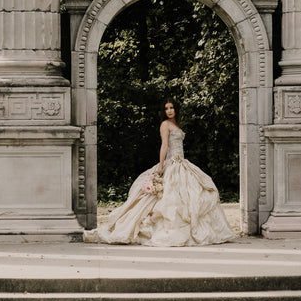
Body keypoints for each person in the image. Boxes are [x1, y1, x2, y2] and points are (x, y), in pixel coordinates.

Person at [83, 100, 237, 246]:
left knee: (195, 193)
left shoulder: (176, 124)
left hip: (182, 163)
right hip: (172, 163)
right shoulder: (165, 124)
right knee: (166, 198)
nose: (169, 111)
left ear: (176, 109)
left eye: (171, 107)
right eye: (166, 108)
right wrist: (161, 166)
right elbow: (164, 146)